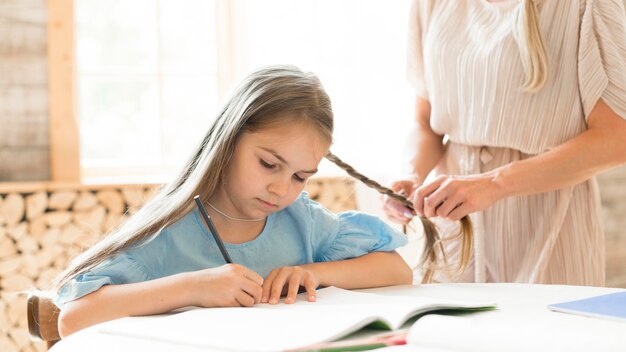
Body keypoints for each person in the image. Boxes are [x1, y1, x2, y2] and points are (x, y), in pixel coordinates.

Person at [53, 65, 413, 337]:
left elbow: (398, 270)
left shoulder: (303, 222)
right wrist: (192, 287)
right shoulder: (169, 230)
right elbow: (72, 318)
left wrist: (315, 273)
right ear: (227, 141)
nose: (281, 189)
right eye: (269, 164)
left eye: (300, 177)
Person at [383, 0, 626, 285]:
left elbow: (617, 138)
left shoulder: (589, 5)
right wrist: (411, 175)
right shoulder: (432, 4)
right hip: (453, 235)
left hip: (549, 231)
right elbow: (425, 124)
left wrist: (494, 184)